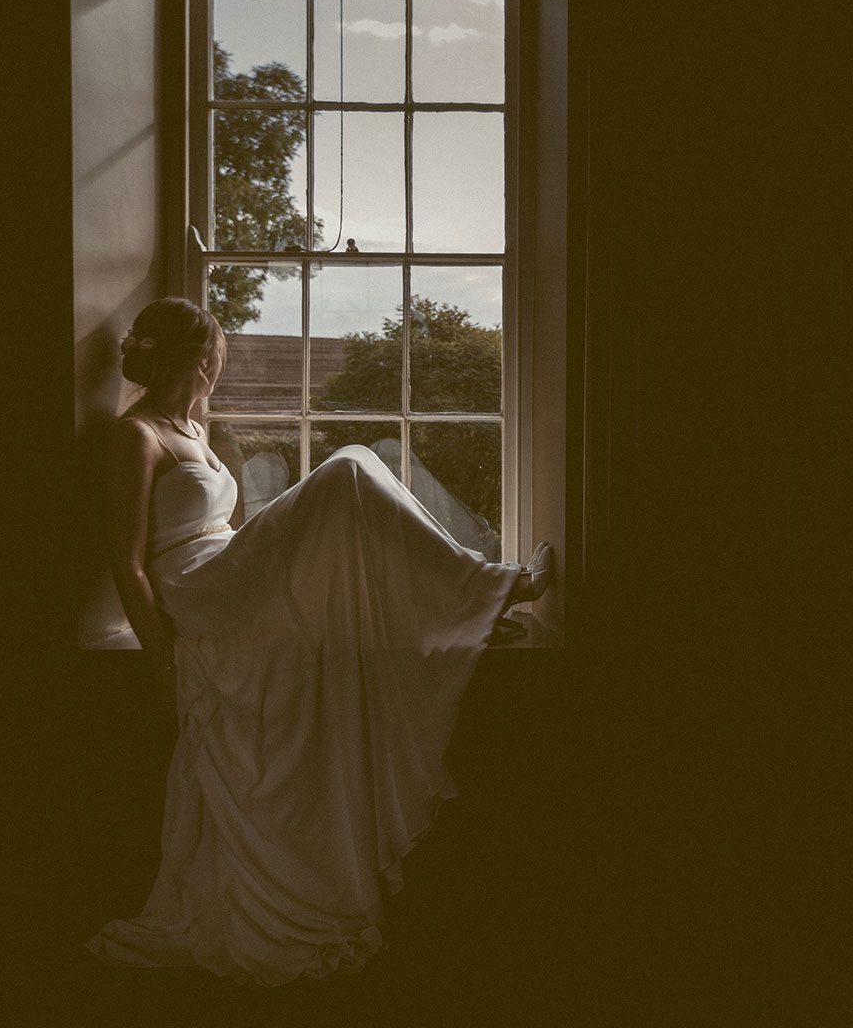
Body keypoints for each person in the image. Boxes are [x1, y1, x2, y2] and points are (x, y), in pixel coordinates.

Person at [86, 297, 552, 985]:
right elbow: (127, 561)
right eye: (216, 352)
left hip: (227, 568)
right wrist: (163, 665)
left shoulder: (196, 428)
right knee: (349, 469)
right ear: (200, 356)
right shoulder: (137, 436)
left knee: (353, 477)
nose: (219, 365)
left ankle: (467, 599)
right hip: (197, 590)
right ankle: (491, 586)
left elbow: (231, 525)